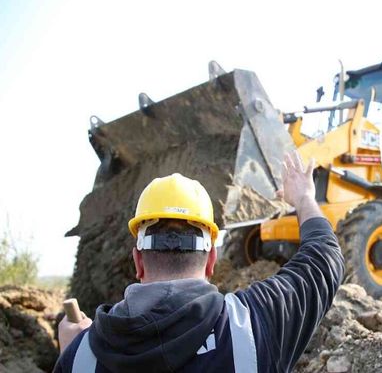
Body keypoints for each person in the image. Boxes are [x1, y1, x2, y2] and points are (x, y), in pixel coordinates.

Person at [54, 151, 345, 373]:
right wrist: (304, 198)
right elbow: (324, 257)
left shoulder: (82, 357)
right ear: (211, 261)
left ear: (138, 262)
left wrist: (76, 352)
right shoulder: (256, 325)